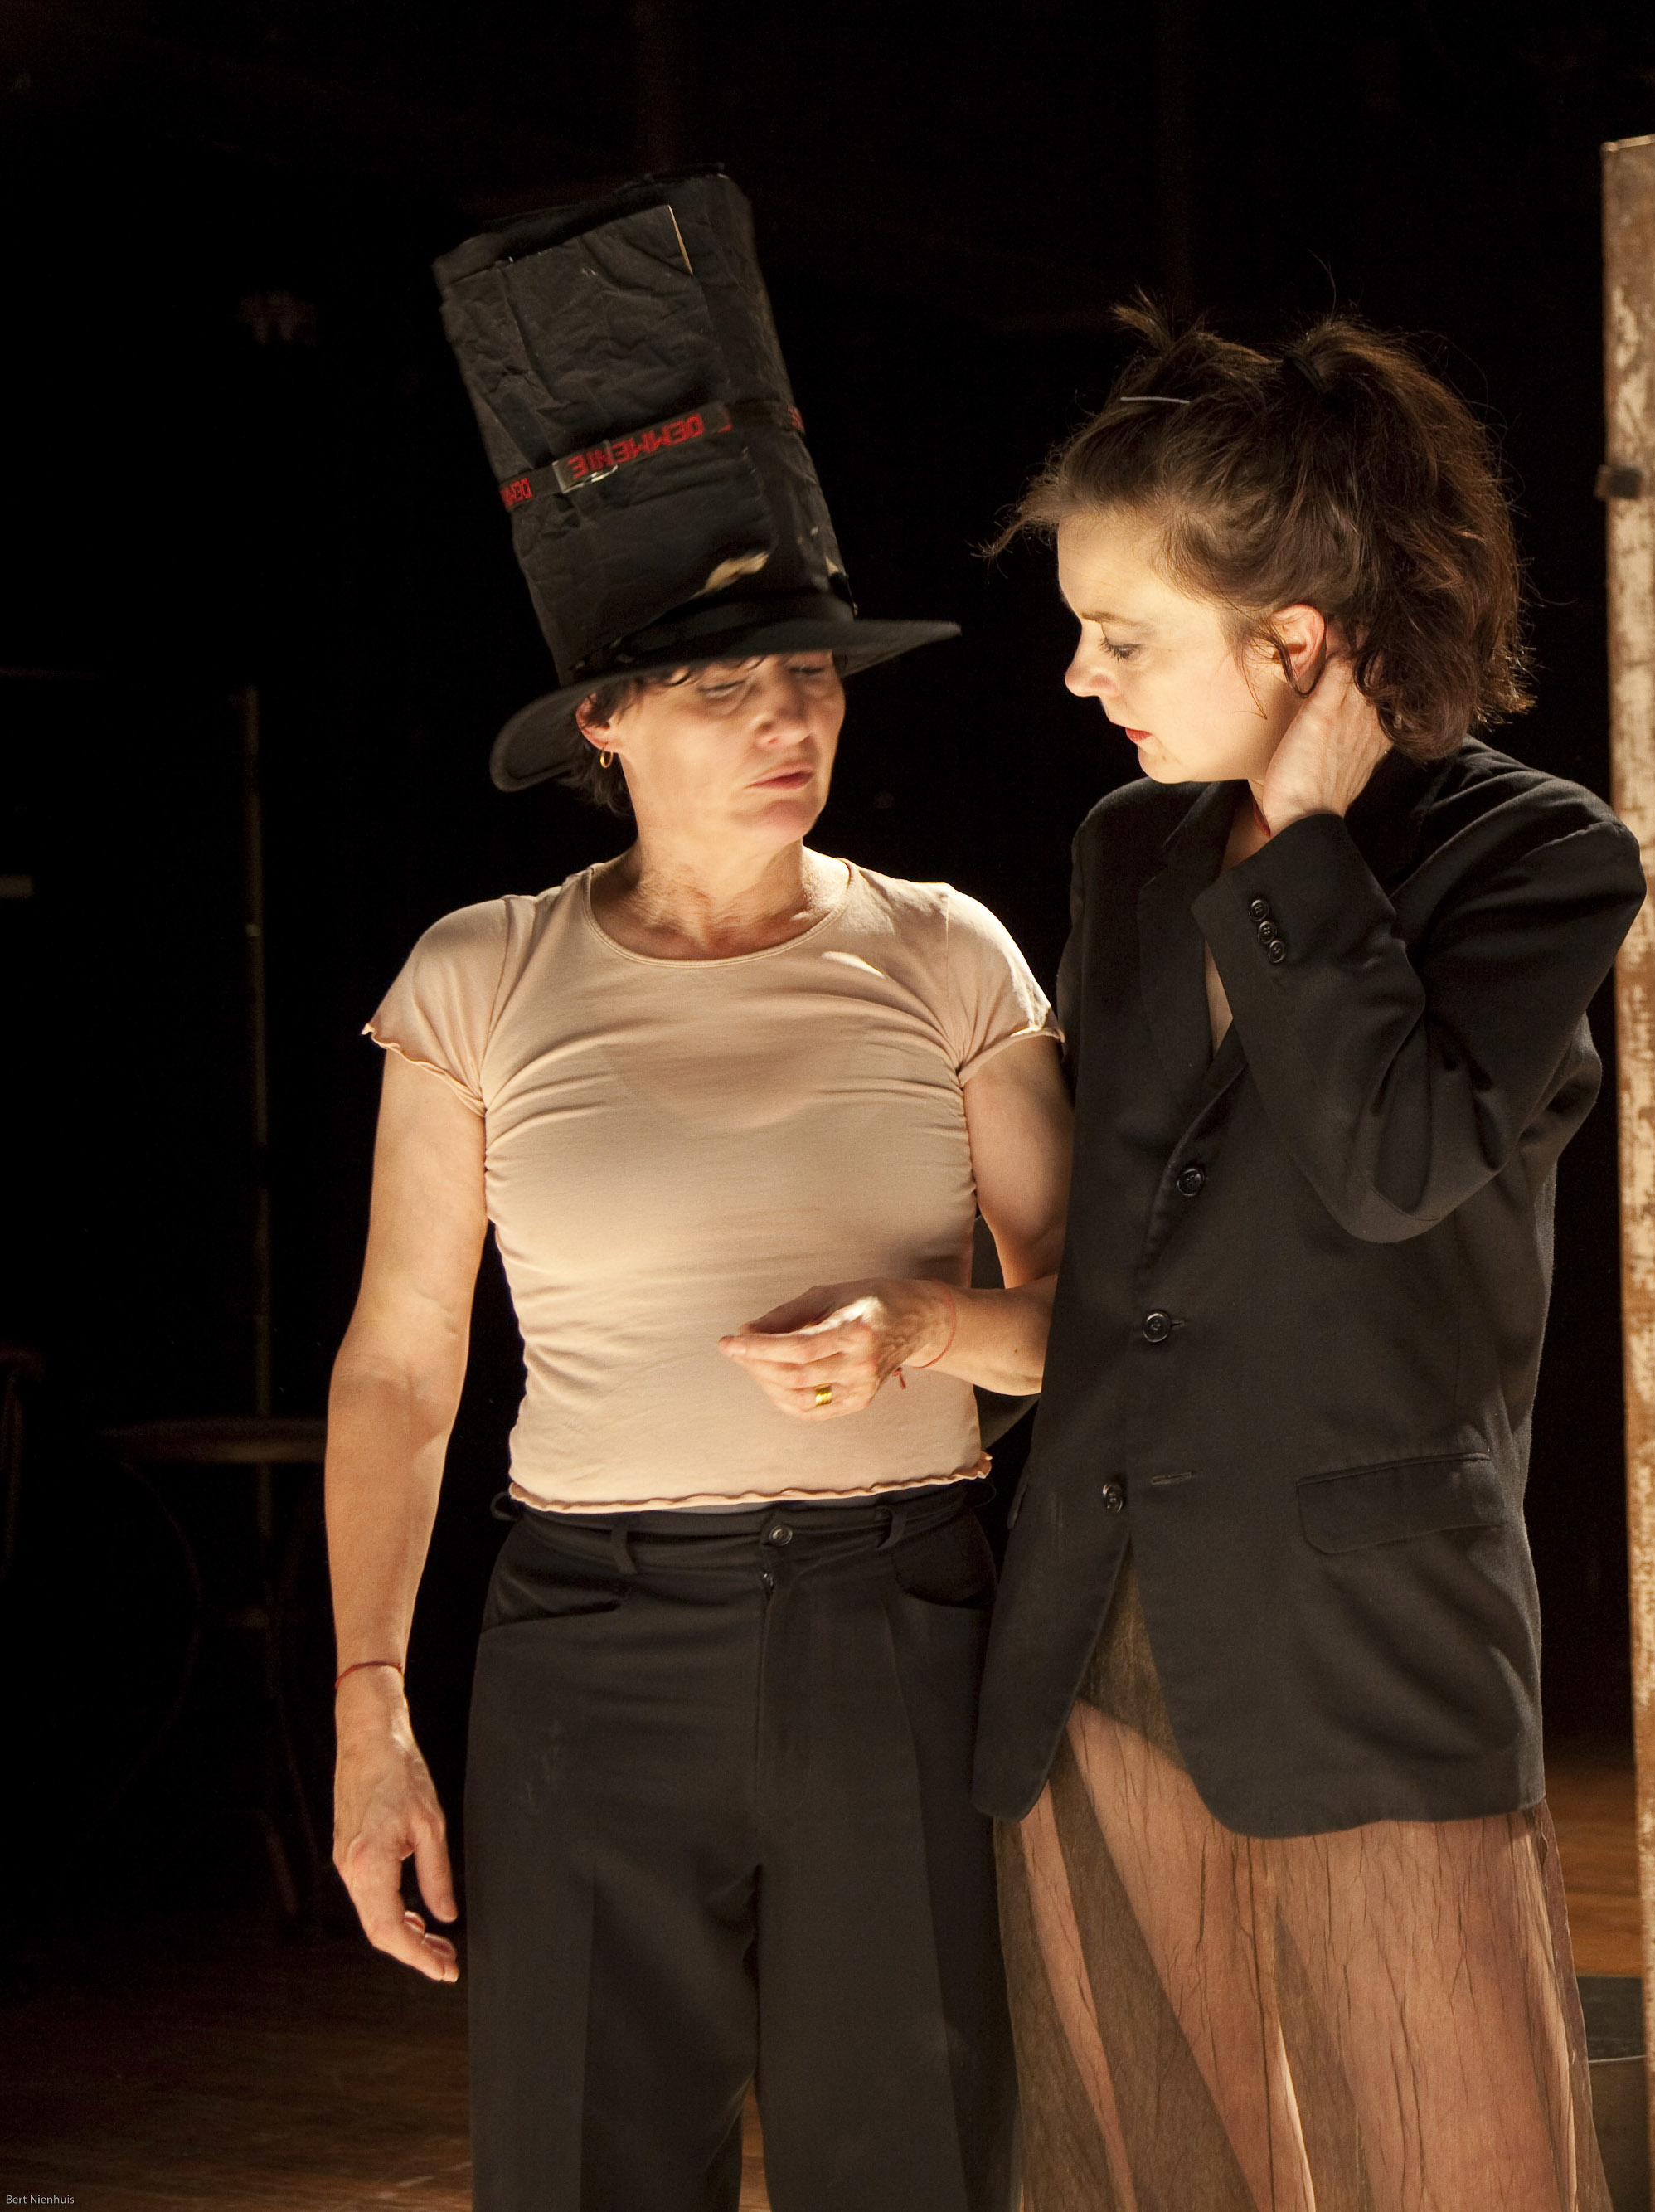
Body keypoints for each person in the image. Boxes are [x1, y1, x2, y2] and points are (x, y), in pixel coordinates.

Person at [323, 173, 1056, 2212]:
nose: (788, 717)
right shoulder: (479, 975)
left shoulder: (946, 951)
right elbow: (401, 1364)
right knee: (580, 2164)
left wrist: (924, 1329)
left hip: (897, 1616)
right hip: (586, 1637)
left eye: (810, 671)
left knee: (907, 2164)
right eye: (725, 685)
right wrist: (371, 1709)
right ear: (605, 720)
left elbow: (1106, 1322)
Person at [973, 308, 1644, 2210]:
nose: (1079, 673)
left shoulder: (1537, 856)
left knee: (1457, 2165)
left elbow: (1388, 1162)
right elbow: (1135, 1235)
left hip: (1363, 1644)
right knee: (1135, 2169)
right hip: (1098, 1623)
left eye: (1124, 635)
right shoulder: (1124, 847)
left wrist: (1298, 846)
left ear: (1294, 641)